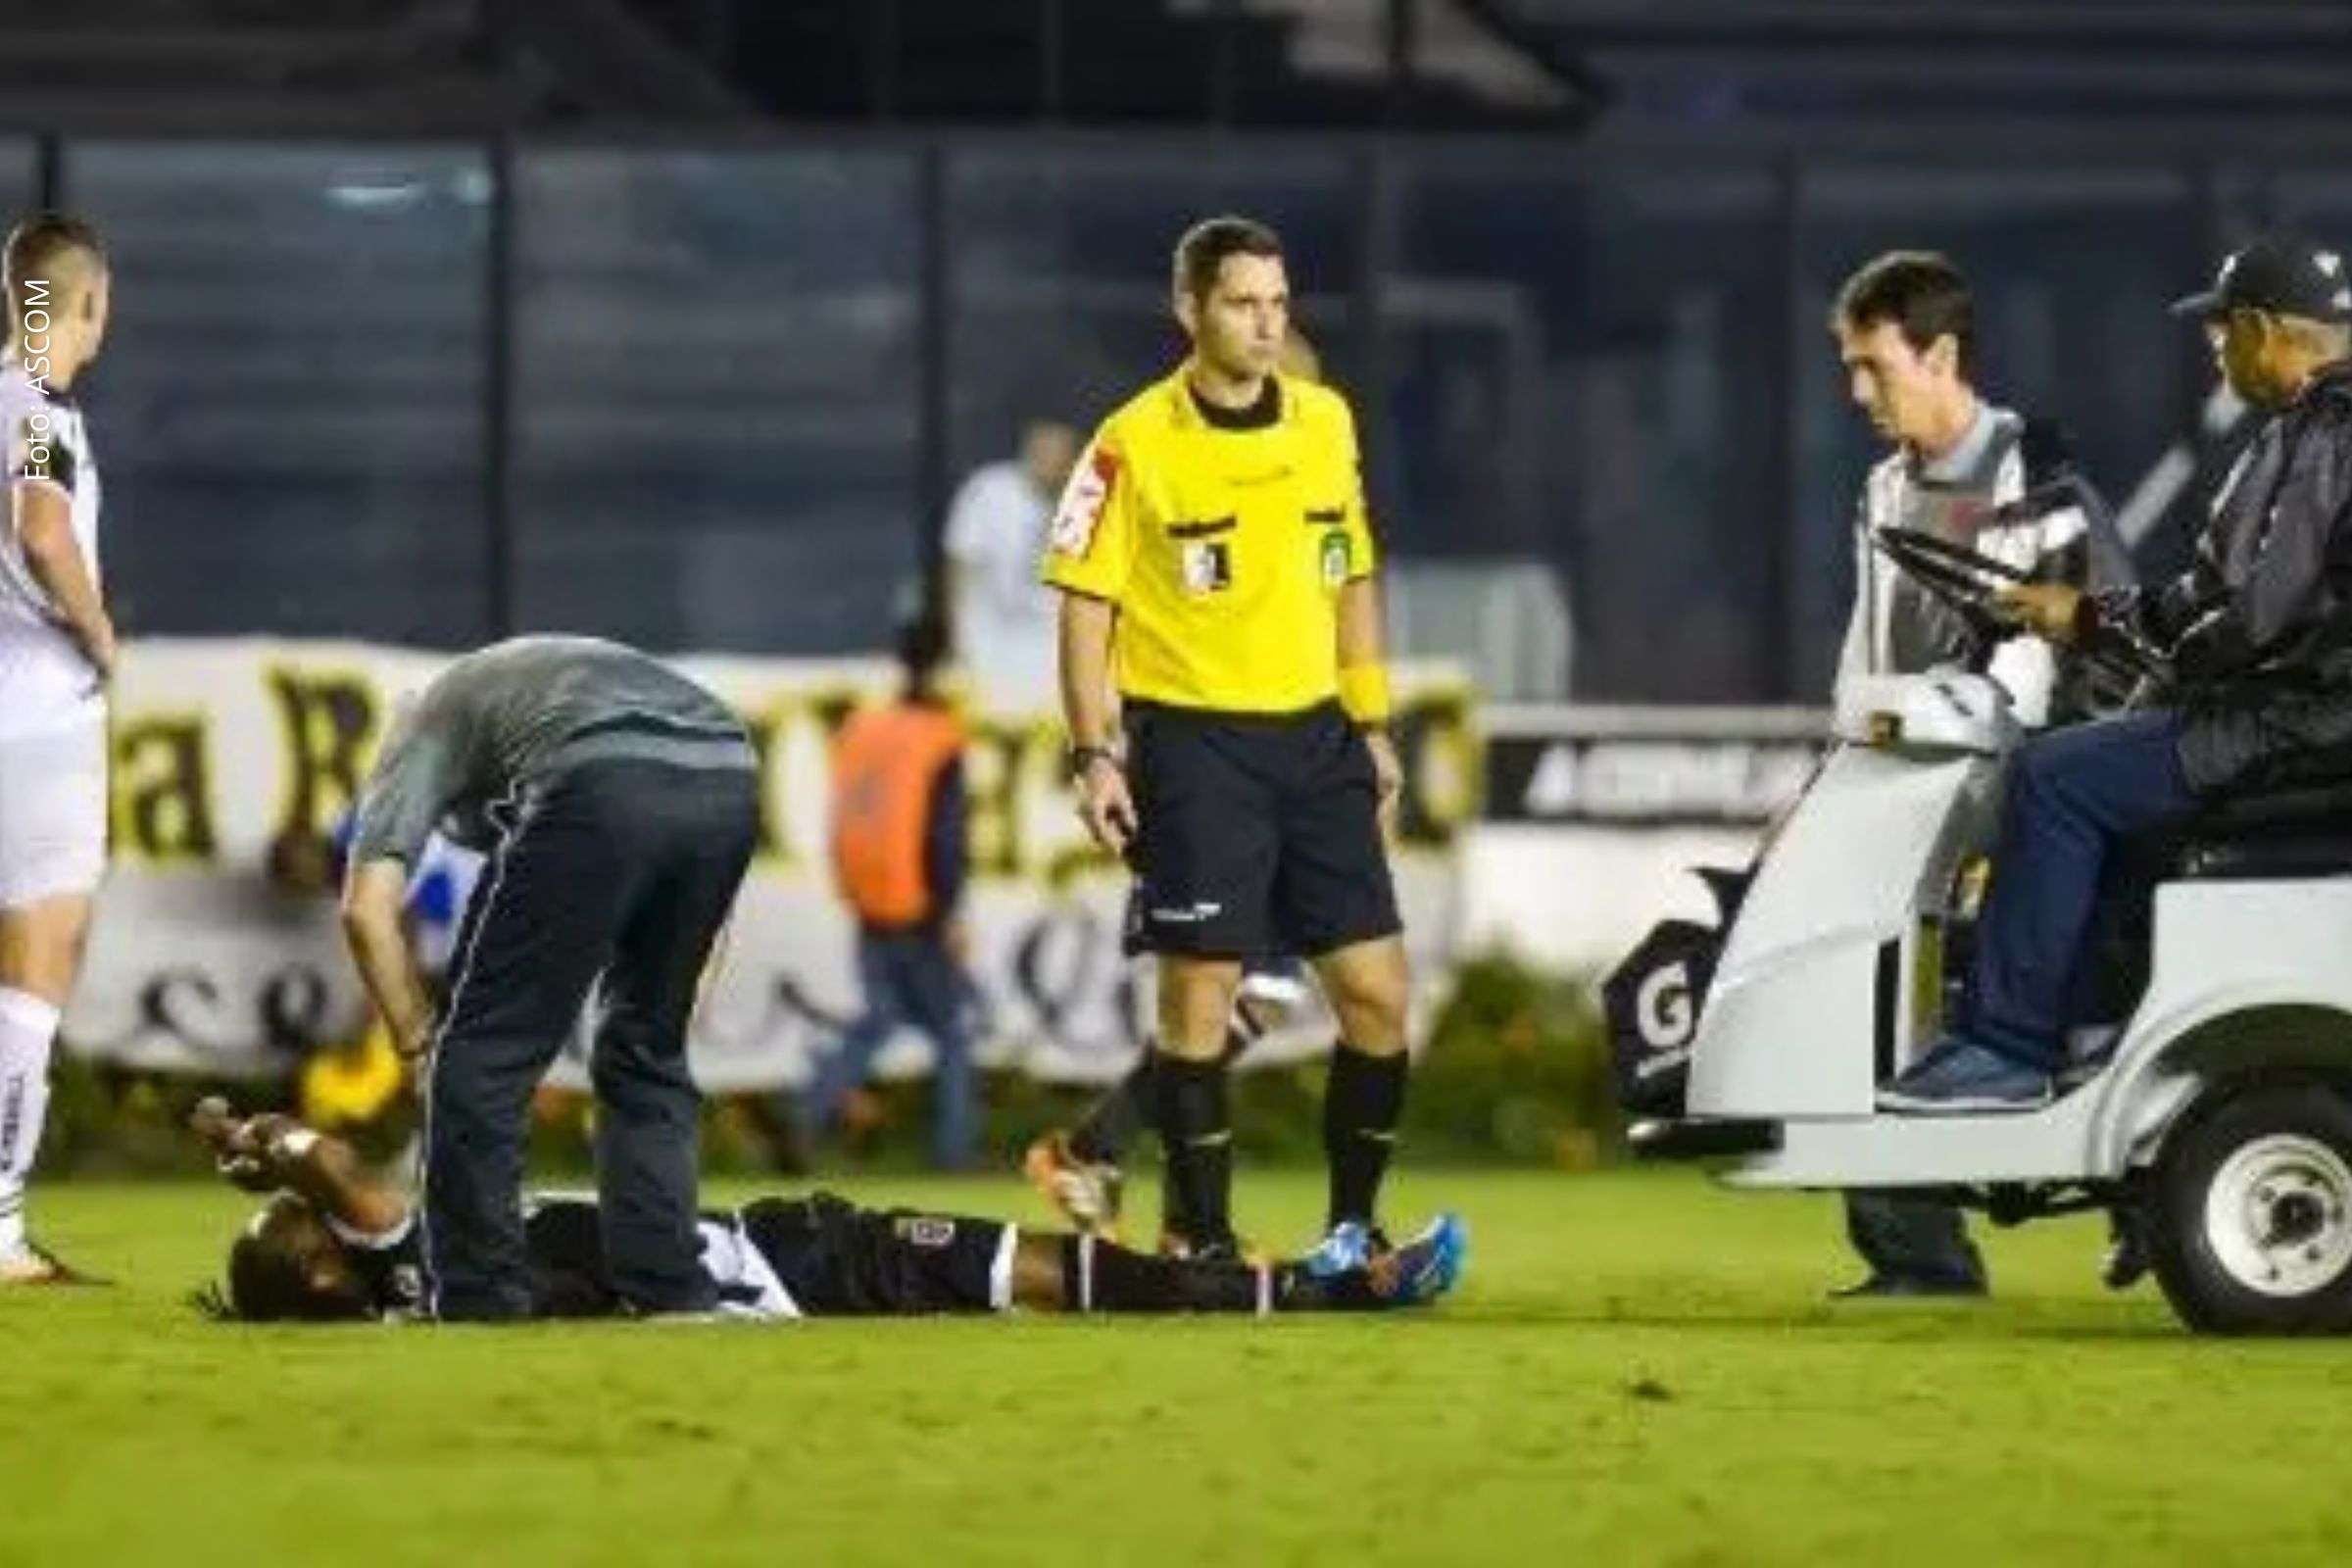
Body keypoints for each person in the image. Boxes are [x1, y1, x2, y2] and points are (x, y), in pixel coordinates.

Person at [1884, 233, 2352, 1113]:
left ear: (2261, 330)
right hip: (2306, 713)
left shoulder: (2328, 438)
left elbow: (2254, 620)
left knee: (2055, 780)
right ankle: (2094, 1018)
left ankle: (2006, 1047)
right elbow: (2218, 594)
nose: (2215, 353)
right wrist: (2091, 615)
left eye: (2221, 335)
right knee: (2107, 764)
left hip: (2301, 725)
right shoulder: (2302, 433)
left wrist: (2142, 645)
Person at [1043, 216, 1412, 1270]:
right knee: (1200, 994)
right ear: (1190, 311)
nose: (1266, 322)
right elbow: (1083, 606)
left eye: (1279, 302)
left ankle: (1353, 1227)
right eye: (1244, 302)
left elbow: (1349, 573)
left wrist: (1372, 719)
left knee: (1379, 994)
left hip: (1319, 741)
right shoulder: (1130, 444)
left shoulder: (1326, 424)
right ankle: (1197, 1233)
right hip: (1194, 744)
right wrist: (1093, 751)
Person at [1824, 251, 2120, 1298]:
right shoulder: (1886, 485)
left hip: (2030, 768)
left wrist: (1967, 770)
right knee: (1864, 975)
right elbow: (1872, 646)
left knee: (2035, 979)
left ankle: (2136, 1196)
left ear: (1940, 353)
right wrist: (1838, 771)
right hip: (1916, 768)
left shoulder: (2031, 468)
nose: (1859, 392)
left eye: (1873, 366)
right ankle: (1916, 1251)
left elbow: (2046, 658)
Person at [185, 1098, 1466, 1323]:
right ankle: (1313, 1285)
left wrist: (270, 1168)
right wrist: (254, 1142)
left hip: (764, 1261)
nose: (308, 1218)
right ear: (318, 1276)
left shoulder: (417, 1289)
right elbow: (331, 1160)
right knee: (1042, 1269)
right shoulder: (406, 1254)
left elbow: (333, 1178)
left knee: (1043, 1277)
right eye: (290, 1237)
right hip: (784, 1262)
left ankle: (1297, 1281)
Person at [343, 635, 760, 1320]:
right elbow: (702, 919)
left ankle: (480, 1298)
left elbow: (366, 912)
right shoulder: (521, 697)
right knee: (645, 1055)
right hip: (730, 769)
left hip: (596, 772)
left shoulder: (420, 727)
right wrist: (671, 1008)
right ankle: (672, 1294)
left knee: (479, 1060)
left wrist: (421, 1043)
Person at [0, 214, 114, 1285]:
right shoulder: (38, 409)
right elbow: (41, 526)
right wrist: (96, 626)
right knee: (36, 968)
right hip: (35, 723)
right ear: (87, 304)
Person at [800, 615, 979, 1169]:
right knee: (954, 1031)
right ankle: (953, 1154)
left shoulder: (866, 729)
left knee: (879, 1020)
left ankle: (806, 1113)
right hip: (920, 905)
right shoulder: (939, 737)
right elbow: (944, 834)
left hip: (869, 897)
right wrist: (949, 910)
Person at [945, 416, 1081, 713]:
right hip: (989, 652)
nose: (1047, 463)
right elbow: (959, 567)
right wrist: (954, 639)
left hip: (1054, 662)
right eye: (1040, 453)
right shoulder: (989, 493)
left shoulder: (1092, 504)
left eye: (1058, 455)